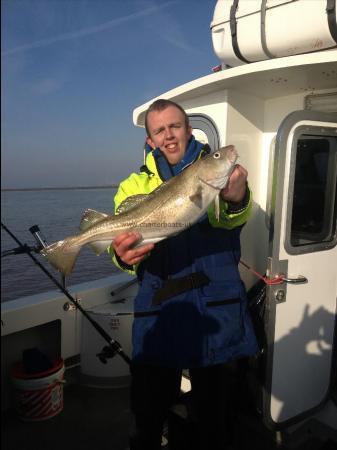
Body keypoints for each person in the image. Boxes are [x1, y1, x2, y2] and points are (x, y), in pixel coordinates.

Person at [109, 99, 258, 450]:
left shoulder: (213, 169)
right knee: (146, 418)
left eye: (175, 126)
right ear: (150, 140)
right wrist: (122, 256)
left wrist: (237, 199)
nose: (169, 135)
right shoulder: (132, 185)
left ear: (189, 129)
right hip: (159, 314)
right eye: (159, 130)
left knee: (216, 420)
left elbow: (231, 219)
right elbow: (121, 251)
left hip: (216, 312)